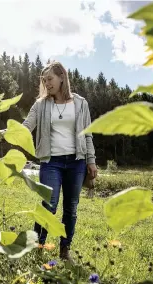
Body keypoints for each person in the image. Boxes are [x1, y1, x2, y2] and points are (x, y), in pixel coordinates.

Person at [21, 60, 97, 261]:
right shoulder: (41, 104)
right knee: (49, 204)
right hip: (51, 161)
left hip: (76, 162)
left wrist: (91, 160)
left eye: (50, 79)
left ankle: (65, 251)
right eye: (44, 81)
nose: (47, 84)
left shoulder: (81, 103)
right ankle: (38, 247)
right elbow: (27, 125)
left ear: (62, 77)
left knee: (71, 208)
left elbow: (88, 135)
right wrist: (7, 132)